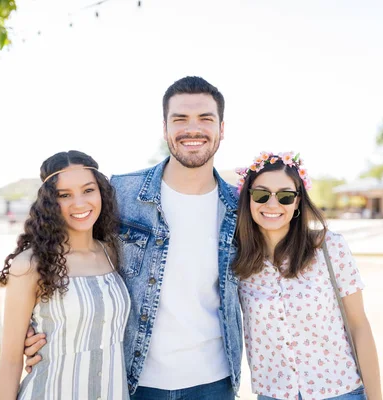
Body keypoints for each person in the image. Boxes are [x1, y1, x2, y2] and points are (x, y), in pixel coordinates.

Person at [23, 77, 242, 399]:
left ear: (222, 128)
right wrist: (30, 326)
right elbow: (58, 249)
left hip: (215, 382)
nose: (192, 129)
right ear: (165, 128)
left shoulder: (240, 208)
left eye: (205, 119)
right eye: (180, 119)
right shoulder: (122, 193)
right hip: (131, 380)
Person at [234, 151, 382, 400]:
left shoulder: (329, 248)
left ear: (297, 201)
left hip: (341, 392)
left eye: (285, 196)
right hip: (273, 395)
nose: (272, 204)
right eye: (261, 195)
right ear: (248, 199)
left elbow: (359, 325)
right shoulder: (238, 260)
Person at [0, 150, 130, 400]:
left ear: (102, 192)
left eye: (88, 190)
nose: (79, 203)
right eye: (64, 195)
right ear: (49, 202)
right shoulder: (31, 265)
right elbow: (11, 359)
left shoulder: (113, 253)